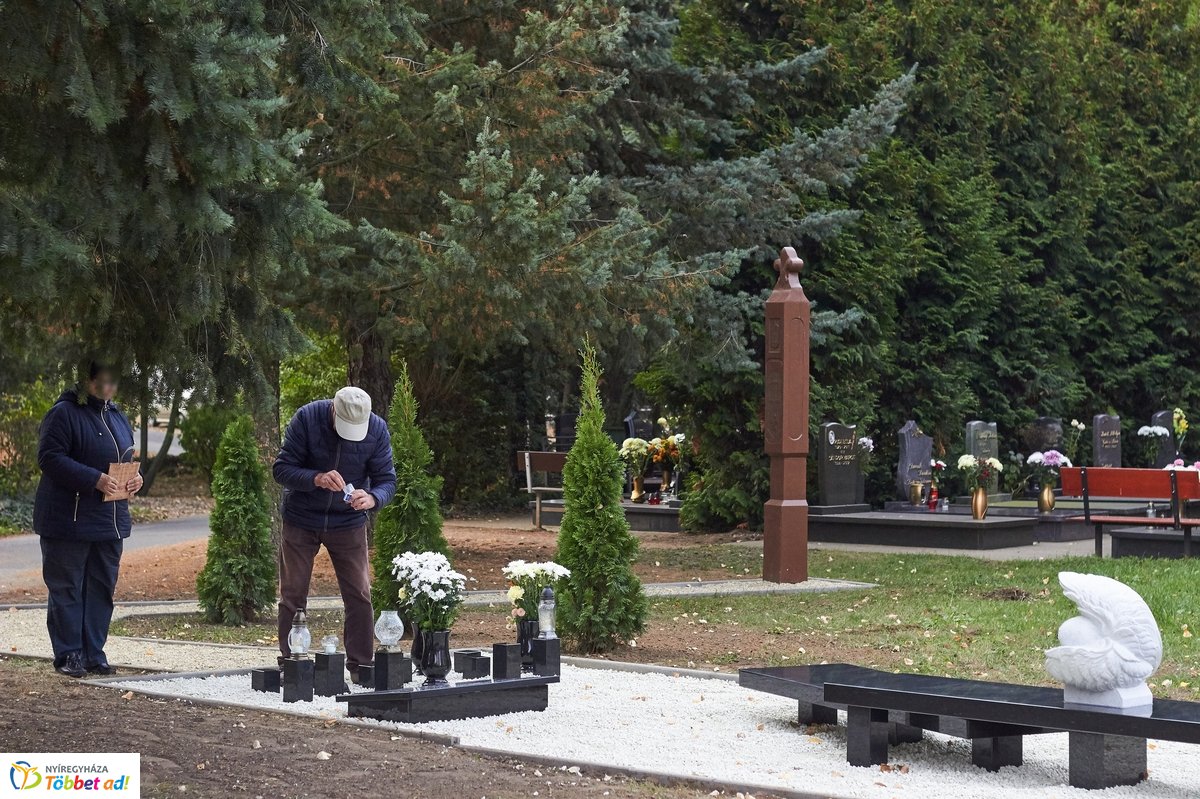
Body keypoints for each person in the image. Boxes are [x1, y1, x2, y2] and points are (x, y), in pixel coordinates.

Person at [273, 386, 396, 680]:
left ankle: (361, 666)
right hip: (302, 518)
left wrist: (373, 498)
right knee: (293, 593)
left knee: (359, 593)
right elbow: (282, 469)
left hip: (349, 522)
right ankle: (292, 664)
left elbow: (387, 480)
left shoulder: (377, 429)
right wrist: (316, 478)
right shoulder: (307, 417)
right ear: (333, 411)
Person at [34, 362, 142, 677]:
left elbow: (126, 457)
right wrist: (93, 479)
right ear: (86, 381)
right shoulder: (64, 413)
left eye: (113, 384)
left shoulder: (118, 416)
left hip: (110, 520)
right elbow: (50, 458)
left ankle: (94, 653)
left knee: (101, 588)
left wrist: (136, 479)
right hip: (69, 519)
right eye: (102, 383)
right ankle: (69, 654)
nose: (108, 390)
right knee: (67, 588)